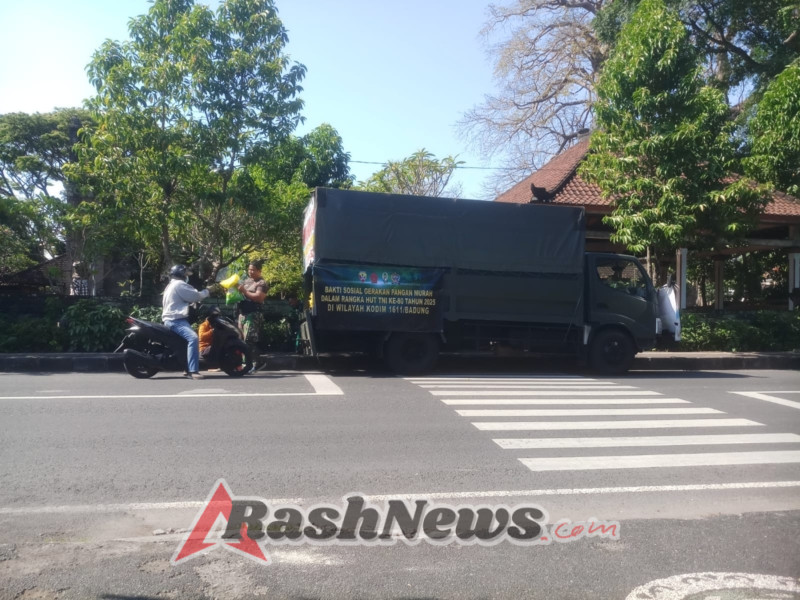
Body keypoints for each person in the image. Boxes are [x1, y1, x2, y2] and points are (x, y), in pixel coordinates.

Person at [162, 264, 212, 380]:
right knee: (193, 338)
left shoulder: (171, 285)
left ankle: (186, 367)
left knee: (186, 342)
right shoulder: (179, 285)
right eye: (185, 274)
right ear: (180, 274)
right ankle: (193, 371)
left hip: (174, 319)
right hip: (175, 320)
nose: (186, 277)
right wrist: (208, 291)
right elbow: (195, 296)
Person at [237, 260, 268, 373]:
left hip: (253, 314)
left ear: (259, 271)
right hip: (242, 314)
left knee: (249, 339)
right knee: (241, 339)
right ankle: (246, 363)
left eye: (253, 270)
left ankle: (256, 362)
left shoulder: (261, 283)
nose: (251, 272)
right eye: (249, 269)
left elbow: (259, 297)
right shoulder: (246, 281)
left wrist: (244, 291)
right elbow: (239, 293)